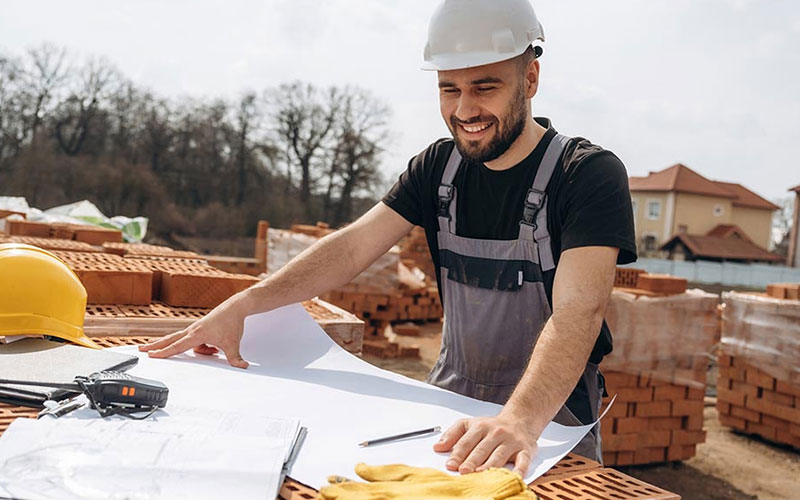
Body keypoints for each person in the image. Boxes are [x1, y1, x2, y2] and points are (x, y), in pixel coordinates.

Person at [141, 0, 636, 476]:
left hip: (546, 432)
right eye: (449, 89)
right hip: (447, 414)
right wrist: (245, 304)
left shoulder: (585, 175)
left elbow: (579, 311)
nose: (465, 109)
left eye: (485, 87)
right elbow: (351, 247)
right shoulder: (437, 169)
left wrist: (521, 420)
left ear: (529, 79)